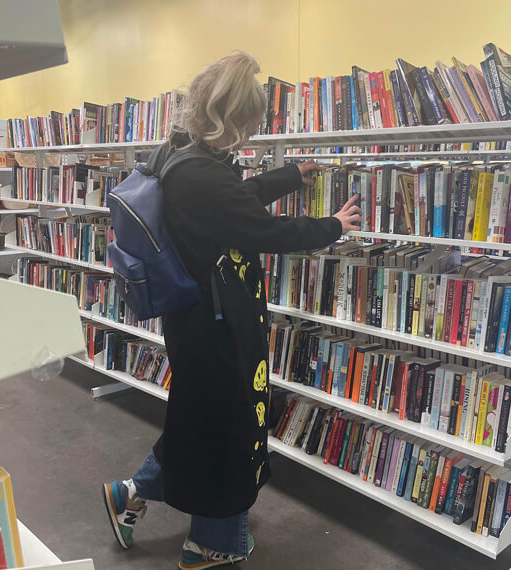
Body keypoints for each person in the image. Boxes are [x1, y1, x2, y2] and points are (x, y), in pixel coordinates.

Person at [102, 51, 360, 569]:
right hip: (214, 326)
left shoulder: (186, 156)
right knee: (229, 429)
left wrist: (289, 176)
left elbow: (235, 200)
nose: (252, 132)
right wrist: (332, 225)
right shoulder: (201, 176)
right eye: (251, 122)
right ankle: (211, 543)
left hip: (200, 317)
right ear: (235, 117)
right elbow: (262, 231)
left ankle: (131, 493)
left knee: (200, 421)